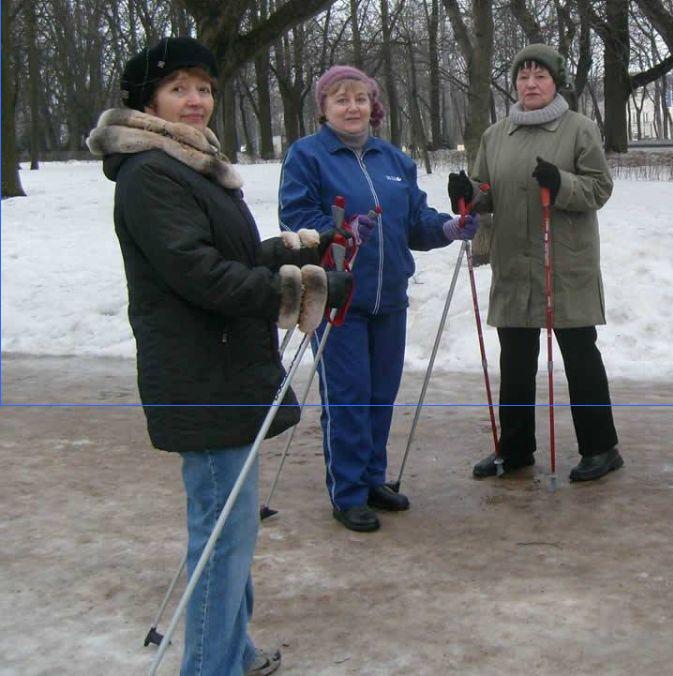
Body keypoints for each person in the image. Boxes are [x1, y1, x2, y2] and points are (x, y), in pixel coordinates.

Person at [88, 36, 351, 676]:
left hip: (226, 367)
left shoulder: (191, 165)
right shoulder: (152, 174)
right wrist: (305, 289)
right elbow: (200, 275)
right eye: (178, 87)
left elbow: (227, 256)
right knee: (221, 538)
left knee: (233, 531)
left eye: (203, 87)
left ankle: (233, 650)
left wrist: (297, 250)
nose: (195, 99)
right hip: (199, 373)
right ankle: (211, 667)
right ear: (149, 99)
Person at [279, 64, 475, 532]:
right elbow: (296, 219)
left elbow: (415, 221)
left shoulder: (393, 160)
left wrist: (448, 227)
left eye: (361, 98)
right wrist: (339, 233)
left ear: (374, 107)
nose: (352, 107)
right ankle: (347, 493)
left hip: (389, 297)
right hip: (338, 296)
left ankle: (371, 479)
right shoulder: (308, 155)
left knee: (381, 394)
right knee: (349, 396)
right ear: (324, 108)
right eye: (341, 99)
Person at [449, 43, 622, 483]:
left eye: (540, 76)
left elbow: (599, 189)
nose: (530, 84)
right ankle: (516, 448)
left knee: (580, 355)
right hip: (513, 259)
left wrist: (561, 183)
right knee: (516, 359)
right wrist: (469, 194)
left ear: (555, 82)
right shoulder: (495, 135)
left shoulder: (579, 129)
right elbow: (487, 189)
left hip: (563, 260)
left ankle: (601, 448)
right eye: (523, 77)